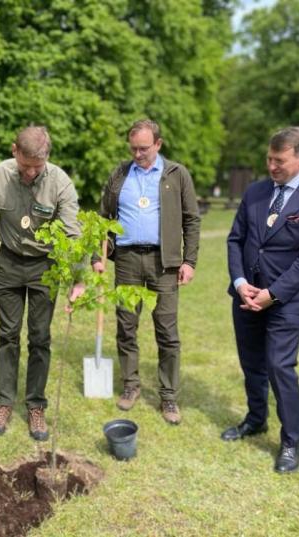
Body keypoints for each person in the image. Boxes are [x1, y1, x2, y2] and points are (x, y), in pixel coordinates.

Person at [223, 126, 299, 473]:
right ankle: (256, 419)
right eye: (269, 159)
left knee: (278, 366)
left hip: (286, 301)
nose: (272, 166)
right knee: (251, 363)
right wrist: (241, 282)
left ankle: (290, 442)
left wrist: (272, 295)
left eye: (280, 160)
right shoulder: (256, 192)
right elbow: (235, 239)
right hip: (246, 296)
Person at [0, 125, 83, 441]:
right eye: (25, 165)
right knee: (8, 334)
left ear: (46, 158)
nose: (30, 173)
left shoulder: (61, 183)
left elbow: (73, 233)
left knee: (40, 337)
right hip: (9, 263)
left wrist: (78, 278)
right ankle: (3, 403)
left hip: (46, 266)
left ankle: (36, 406)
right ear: (14, 149)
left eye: (36, 167)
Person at [94, 119, 200, 425]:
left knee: (167, 331)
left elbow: (192, 220)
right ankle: (130, 385)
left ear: (158, 144)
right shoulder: (119, 174)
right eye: (133, 148)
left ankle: (168, 397)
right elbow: (104, 219)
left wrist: (189, 261)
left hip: (164, 263)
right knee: (126, 325)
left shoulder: (176, 175)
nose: (138, 154)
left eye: (144, 148)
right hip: (126, 259)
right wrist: (97, 257)